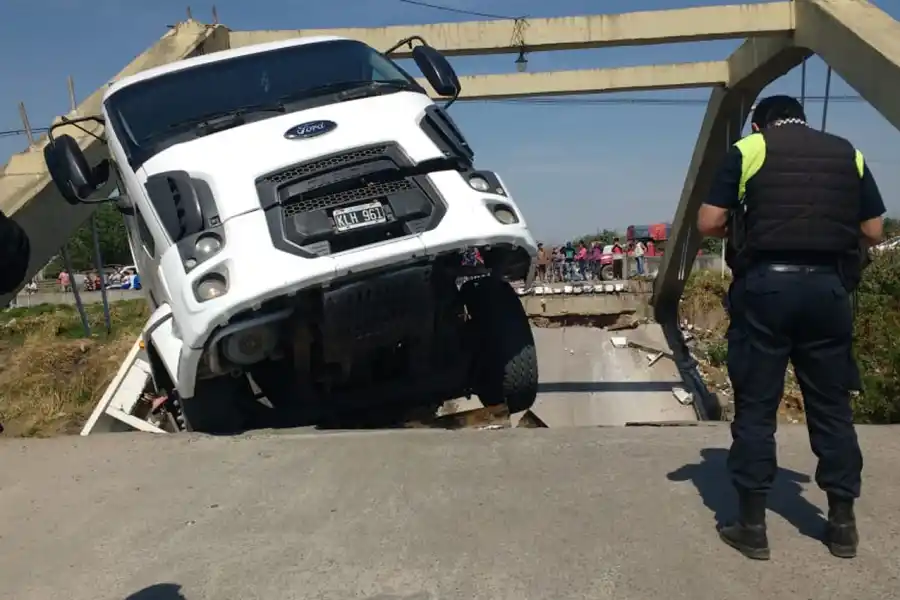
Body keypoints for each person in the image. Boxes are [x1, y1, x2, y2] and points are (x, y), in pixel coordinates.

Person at [697, 95, 885, 561]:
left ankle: (752, 526)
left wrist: (748, 227)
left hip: (767, 290)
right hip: (828, 293)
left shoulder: (751, 150)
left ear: (760, 123)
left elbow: (708, 221)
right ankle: (842, 524)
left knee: (757, 408)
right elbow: (875, 230)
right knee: (832, 408)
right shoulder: (848, 151)